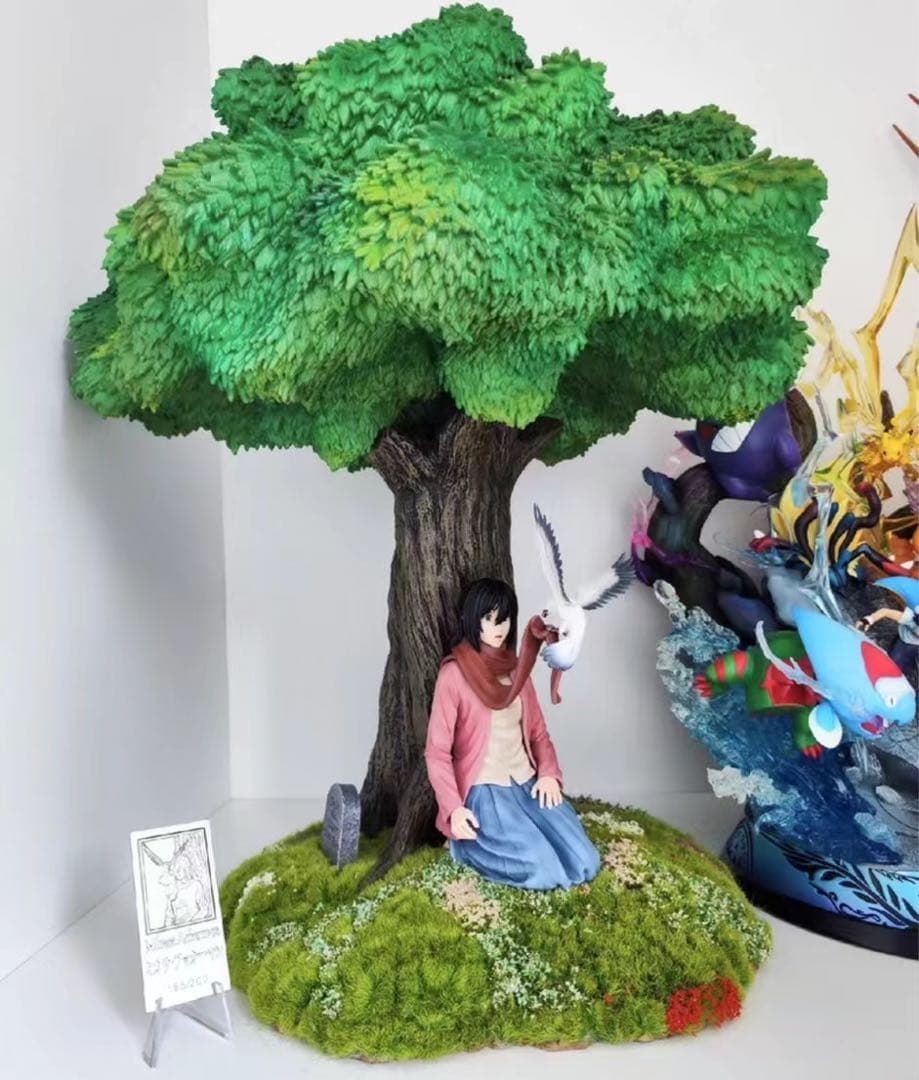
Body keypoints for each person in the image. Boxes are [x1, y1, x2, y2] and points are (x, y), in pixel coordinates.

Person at [424, 578, 601, 890]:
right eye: (489, 618)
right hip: (484, 791)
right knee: (543, 869)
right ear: (473, 620)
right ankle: (467, 849)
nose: (499, 627)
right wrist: (453, 809)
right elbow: (437, 753)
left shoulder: (517, 671)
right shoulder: (454, 674)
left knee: (585, 859)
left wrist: (548, 774)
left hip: (526, 783)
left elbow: (538, 734)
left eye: (504, 619)